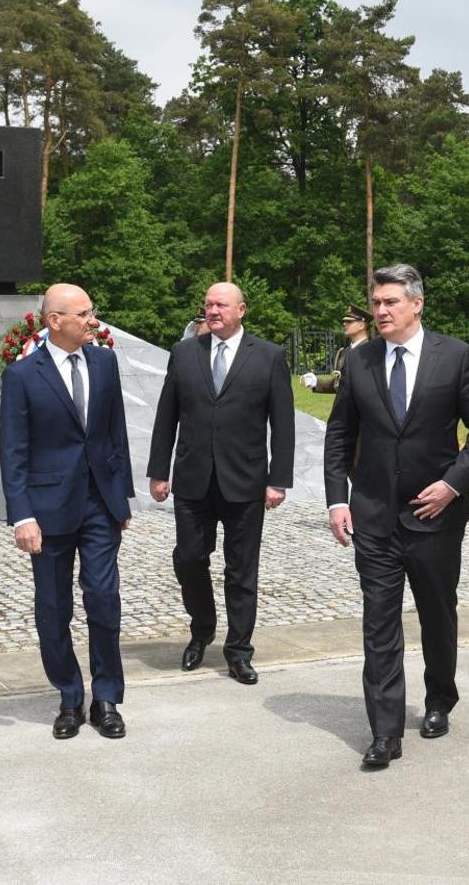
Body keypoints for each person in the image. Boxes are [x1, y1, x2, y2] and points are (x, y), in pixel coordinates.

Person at [324, 264, 469, 768]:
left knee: (437, 616)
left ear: (416, 304)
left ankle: (440, 698)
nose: (379, 310)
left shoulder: (455, 356)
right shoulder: (359, 362)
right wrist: (338, 499)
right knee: (379, 623)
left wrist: (452, 484)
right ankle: (384, 732)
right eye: (376, 302)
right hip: (374, 516)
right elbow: (339, 436)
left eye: (389, 302)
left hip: (435, 518)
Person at [0, 283, 135, 741]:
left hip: (100, 504)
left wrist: (122, 498)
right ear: (55, 320)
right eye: (84, 314)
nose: (93, 320)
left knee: (103, 599)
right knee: (53, 610)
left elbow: (115, 433)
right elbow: (13, 452)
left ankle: (107, 698)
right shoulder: (22, 376)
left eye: (92, 312)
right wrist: (22, 515)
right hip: (47, 510)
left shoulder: (104, 361)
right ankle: (70, 697)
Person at [147, 281, 295, 684]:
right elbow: (167, 415)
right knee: (190, 559)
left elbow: (283, 423)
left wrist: (278, 479)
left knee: (241, 570)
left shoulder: (267, 356)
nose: (213, 311)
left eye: (221, 305)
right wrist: (159, 471)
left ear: (241, 310)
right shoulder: (184, 353)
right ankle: (202, 628)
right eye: (209, 304)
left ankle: (239, 651)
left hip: (245, 481)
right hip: (193, 480)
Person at [305, 303, 371, 394]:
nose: (345, 324)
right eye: (345, 321)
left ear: (361, 325)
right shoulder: (344, 352)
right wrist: (316, 382)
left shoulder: (370, 352)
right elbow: (338, 384)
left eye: (350, 322)